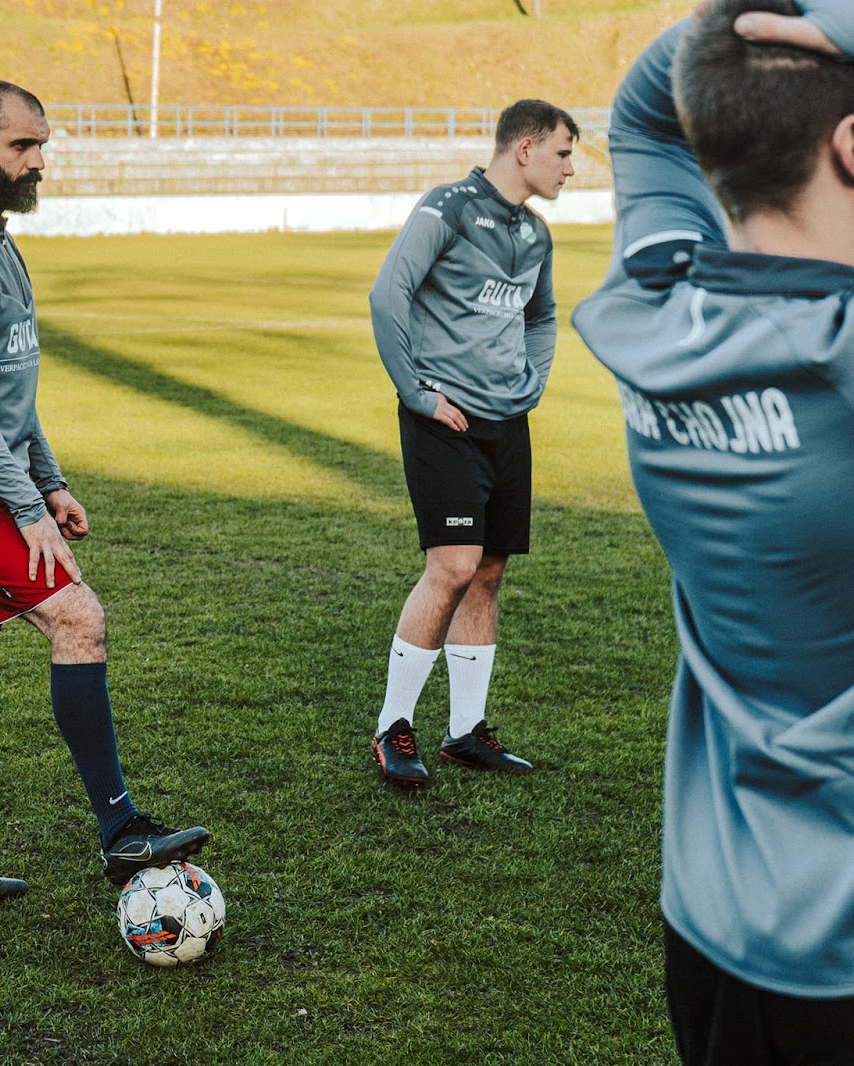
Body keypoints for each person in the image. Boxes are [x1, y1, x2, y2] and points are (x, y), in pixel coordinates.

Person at [573, 2, 854, 1060]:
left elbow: (644, 115)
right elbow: (652, 107)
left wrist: (757, 25)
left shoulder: (656, 306)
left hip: (713, 921)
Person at [0, 80, 208, 900]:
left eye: (42, 145)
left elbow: (10, 385)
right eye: (21, 146)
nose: (38, 162)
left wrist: (49, 479)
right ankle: (121, 832)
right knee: (77, 617)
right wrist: (26, 507)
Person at [365, 99, 578, 785]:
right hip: (445, 420)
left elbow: (542, 315)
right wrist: (416, 393)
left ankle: (465, 732)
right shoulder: (448, 208)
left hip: (506, 422)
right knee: (453, 567)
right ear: (525, 148)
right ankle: (393, 727)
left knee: (488, 572)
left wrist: (533, 381)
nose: (570, 169)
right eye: (563, 153)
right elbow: (388, 294)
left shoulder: (536, 234)